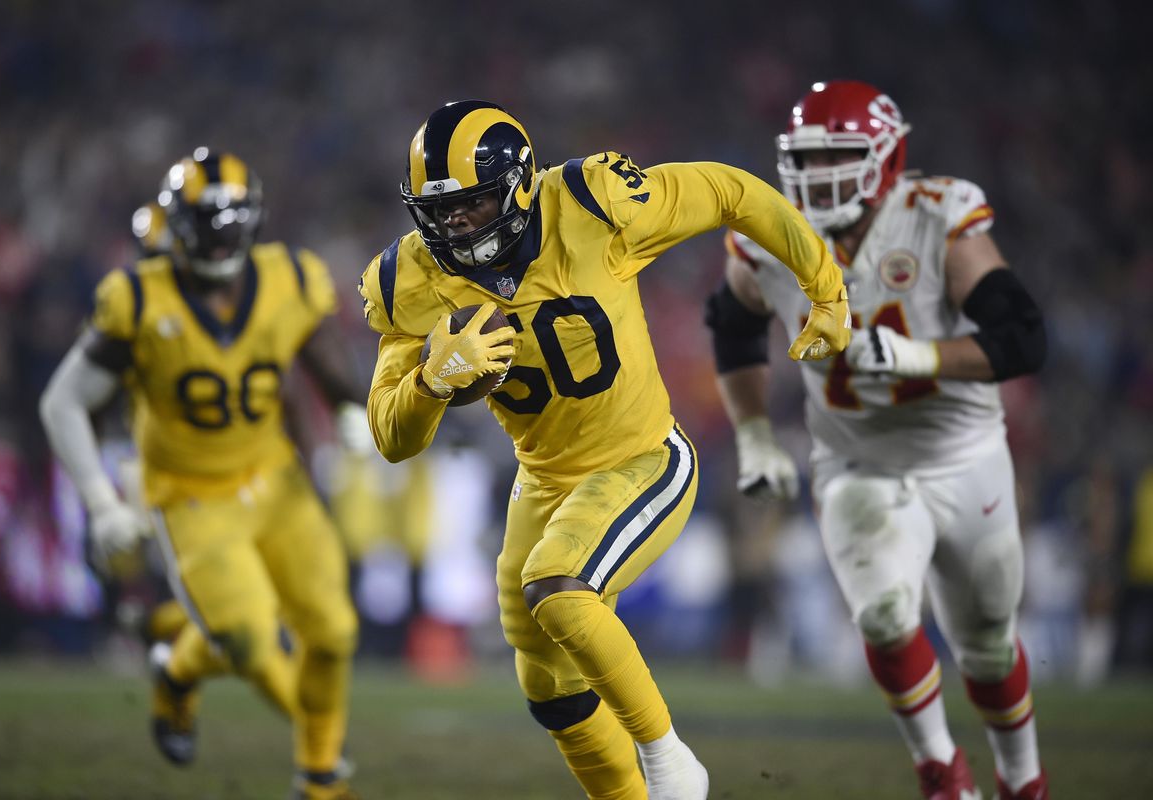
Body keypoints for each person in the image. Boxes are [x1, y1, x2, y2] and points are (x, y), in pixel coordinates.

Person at [358, 99, 850, 800]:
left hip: (641, 458)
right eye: (440, 212)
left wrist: (824, 286)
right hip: (545, 480)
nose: (455, 226)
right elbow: (390, 437)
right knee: (544, 680)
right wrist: (432, 384)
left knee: (560, 588)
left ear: (521, 187)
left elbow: (730, 192)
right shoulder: (412, 280)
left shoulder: (593, 203)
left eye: (473, 205)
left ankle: (671, 764)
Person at [706, 80, 1049, 800]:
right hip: (856, 460)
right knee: (885, 614)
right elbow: (732, 328)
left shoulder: (936, 217)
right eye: (809, 157)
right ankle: (941, 773)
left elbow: (1023, 339)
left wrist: (922, 358)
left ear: (886, 158)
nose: (821, 173)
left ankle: (1023, 777)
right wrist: (755, 436)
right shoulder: (766, 233)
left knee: (986, 646)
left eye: (841, 154)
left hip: (963, 457)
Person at [40, 149, 366, 800]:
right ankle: (181, 670)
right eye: (205, 222)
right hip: (190, 493)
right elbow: (64, 400)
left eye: (229, 221)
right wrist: (103, 503)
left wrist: (348, 406)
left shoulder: (290, 278)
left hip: (274, 478)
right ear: (176, 224)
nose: (218, 238)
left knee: (333, 630)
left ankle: (319, 778)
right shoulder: (136, 297)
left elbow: (315, 346)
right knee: (246, 639)